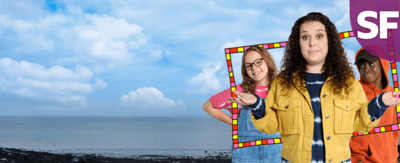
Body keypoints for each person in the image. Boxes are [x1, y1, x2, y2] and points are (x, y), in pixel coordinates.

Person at [229, 12, 400, 163]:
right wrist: (257, 105)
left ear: (329, 41)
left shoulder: (349, 83)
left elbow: (360, 124)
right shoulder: (282, 82)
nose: (312, 43)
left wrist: (379, 103)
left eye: (319, 36)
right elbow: (272, 126)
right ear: (298, 44)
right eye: (305, 37)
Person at [203, 46, 282, 163]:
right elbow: (207, 106)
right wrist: (236, 123)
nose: (254, 68)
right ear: (245, 69)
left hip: (277, 153)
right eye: (249, 65)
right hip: (245, 155)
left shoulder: (282, 89)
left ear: (268, 62)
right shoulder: (238, 92)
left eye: (258, 62)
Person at [349, 47, 399, 163]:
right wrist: (353, 159)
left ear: (382, 64)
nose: (366, 69)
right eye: (361, 65)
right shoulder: (353, 91)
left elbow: (395, 130)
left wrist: (393, 151)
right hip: (361, 160)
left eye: (371, 64)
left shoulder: (393, 93)